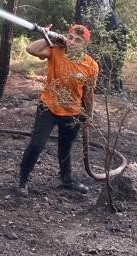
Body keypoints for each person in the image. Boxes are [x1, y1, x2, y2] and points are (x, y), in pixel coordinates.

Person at [15, 23, 99, 196]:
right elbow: (31, 49)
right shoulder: (55, 51)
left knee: (65, 147)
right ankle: (23, 179)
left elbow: (88, 93)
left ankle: (66, 179)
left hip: (73, 112)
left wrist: (88, 115)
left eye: (78, 40)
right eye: (70, 37)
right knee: (37, 144)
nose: (72, 42)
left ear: (85, 44)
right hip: (48, 107)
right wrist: (48, 37)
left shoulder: (91, 65)